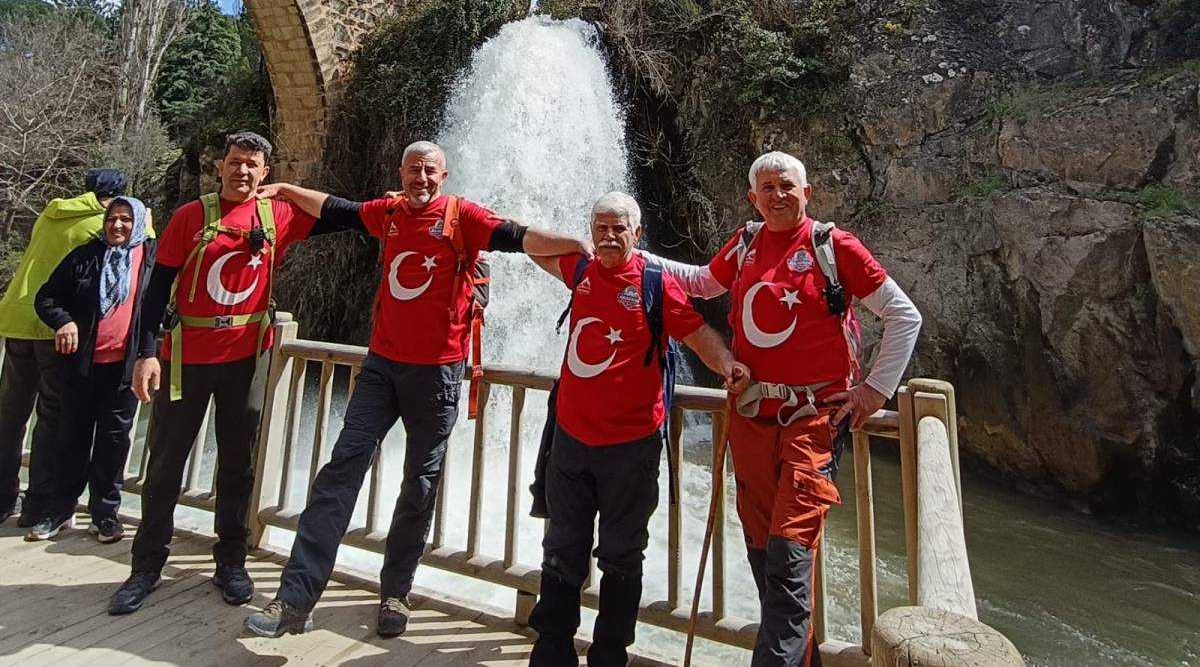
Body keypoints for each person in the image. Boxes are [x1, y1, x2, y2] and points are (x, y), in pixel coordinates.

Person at [243, 140, 591, 640]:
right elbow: (337, 210)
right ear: (401, 174)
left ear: (443, 175)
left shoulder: (462, 217)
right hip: (382, 368)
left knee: (419, 486)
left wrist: (577, 244)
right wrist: (287, 188)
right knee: (340, 471)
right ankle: (293, 600)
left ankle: (395, 591)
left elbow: (518, 237)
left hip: (438, 374)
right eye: (412, 171)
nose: (420, 179)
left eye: (429, 171)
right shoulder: (389, 213)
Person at [648, 152, 922, 667]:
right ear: (753, 198)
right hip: (751, 416)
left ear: (806, 192)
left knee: (789, 555)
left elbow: (904, 316)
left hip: (813, 421)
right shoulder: (747, 243)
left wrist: (873, 392)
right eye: (767, 188)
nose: (777, 195)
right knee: (761, 545)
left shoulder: (833, 247)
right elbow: (704, 283)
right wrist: (639, 258)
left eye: (787, 186)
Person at [526, 191, 750, 667]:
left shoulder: (654, 284)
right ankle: (552, 651)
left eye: (618, 228)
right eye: (600, 227)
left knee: (621, 555)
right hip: (570, 439)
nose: (609, 236)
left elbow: (696, 333)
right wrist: (572, 241)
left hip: (630, 447)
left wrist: (727, 364)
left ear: (637, 233)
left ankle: (609, 656)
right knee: (561, 547)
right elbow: (531, 247)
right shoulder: (581, 270)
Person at [108, 132, 322, 616]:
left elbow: (345, 214)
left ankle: (231, 562)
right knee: (164, 463)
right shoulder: (191, 217)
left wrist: (287, 192)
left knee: (237, 465)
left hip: (245, 359)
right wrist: (145, 354)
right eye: (235, 163)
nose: (242, 171)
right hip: (186, 358)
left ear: (265, 172)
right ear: (220, 167)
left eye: (252, 165)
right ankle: (145, 567)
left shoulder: (276, 215)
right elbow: (154, 289)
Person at [0, 168, 130, 529]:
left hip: (15, 317)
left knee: (10, 416)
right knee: (52, 417)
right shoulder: (99, 222)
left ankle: (2, 499)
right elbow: (137, 243)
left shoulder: (52, 211)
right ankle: (37, 505)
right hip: (54, 328)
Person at [27, 196, 156, 543]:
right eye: (112, 218)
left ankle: (105, 515)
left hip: (124, 371)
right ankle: (59, 510)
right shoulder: (85, 256)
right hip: (80, 367)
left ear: (139, 222)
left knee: (114, 444)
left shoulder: (151, 259)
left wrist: (151, 352)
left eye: (126, 219)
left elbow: (161, 309)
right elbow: (47, 298)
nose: (117, 225)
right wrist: (64, 322)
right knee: (71, 439)